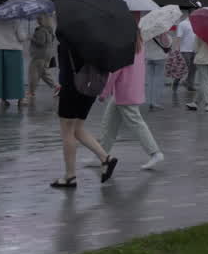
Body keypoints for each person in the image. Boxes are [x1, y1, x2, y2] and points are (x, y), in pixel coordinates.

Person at [51, 41, 117, 188]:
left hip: (71, 86)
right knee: (78, 129)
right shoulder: (96, 37)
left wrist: (61, 86)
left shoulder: (68, 38)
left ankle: (70, 176)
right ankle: (106, 158)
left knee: (67, 131)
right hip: (91, 87)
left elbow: (65, 68)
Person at [95, 31, 164, 170]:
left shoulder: (123, 48)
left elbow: (114, 72)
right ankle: (101, 154)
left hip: (125, 92)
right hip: (129, 90)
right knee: (109, 123)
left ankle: (155, 153)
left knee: (136, 123)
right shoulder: (138, 45)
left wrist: (104, 92)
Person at [0, 18, 29, 107]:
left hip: (0, 51)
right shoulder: (16, 21)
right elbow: (21, 37)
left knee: (2, 76)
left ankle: (3, 100)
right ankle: (21, 99)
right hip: (14, 51)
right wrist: (26, 35)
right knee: (17, 76)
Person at [25, 13, 59, 105]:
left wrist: (31, 37)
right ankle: (56, 86)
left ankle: (31, 92)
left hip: (38, 55)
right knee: (44, 73)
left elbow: (41, 42)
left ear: (43, 20)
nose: (37, 20)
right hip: (45, 55)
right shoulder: (49, 30)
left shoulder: (41, 30)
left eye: (39, 19)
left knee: (33, 73)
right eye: (37, 18)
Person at [143, 25, 171, 111]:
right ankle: (155, 102)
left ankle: (149, 101)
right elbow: (167, 45)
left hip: (148, 57)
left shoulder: (146, 32)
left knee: (149, 80)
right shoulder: (162, 31)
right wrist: (165, 34)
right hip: (160, 58)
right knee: (158, 80)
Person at [174, 14, 197, 92]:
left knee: (193, 69)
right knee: (182, 68)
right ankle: (176, 82)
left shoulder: (196, 23)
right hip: (185, 50)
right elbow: (178, 37)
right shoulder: (182, 24)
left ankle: (190, 85)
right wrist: (177, 49)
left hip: (195, 50)